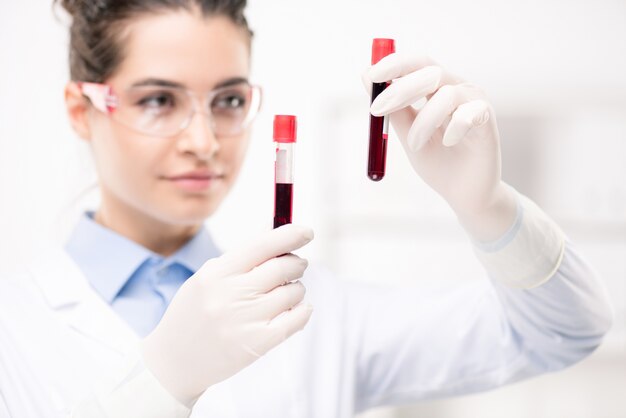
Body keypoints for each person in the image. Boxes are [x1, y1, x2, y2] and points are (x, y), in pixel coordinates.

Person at [0, 1, 613, 417]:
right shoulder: (15, 330)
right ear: (82, 110)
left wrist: (487, 207)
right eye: (159, 99)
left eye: (229, 100)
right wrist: (162, 381)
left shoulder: (324, 312)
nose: (205, 140)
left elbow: (568, 330)